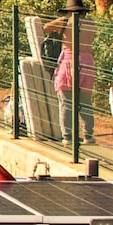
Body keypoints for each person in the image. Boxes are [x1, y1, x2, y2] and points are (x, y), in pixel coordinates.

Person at [48, 15, 97, 143]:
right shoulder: (90, 23)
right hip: (87, 62)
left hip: (69, 61)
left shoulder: (66, 21)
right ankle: (88, 135)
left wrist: (61, 23)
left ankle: (67, 136)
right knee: (85, 102)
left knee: (66, 101)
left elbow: (45, 28)